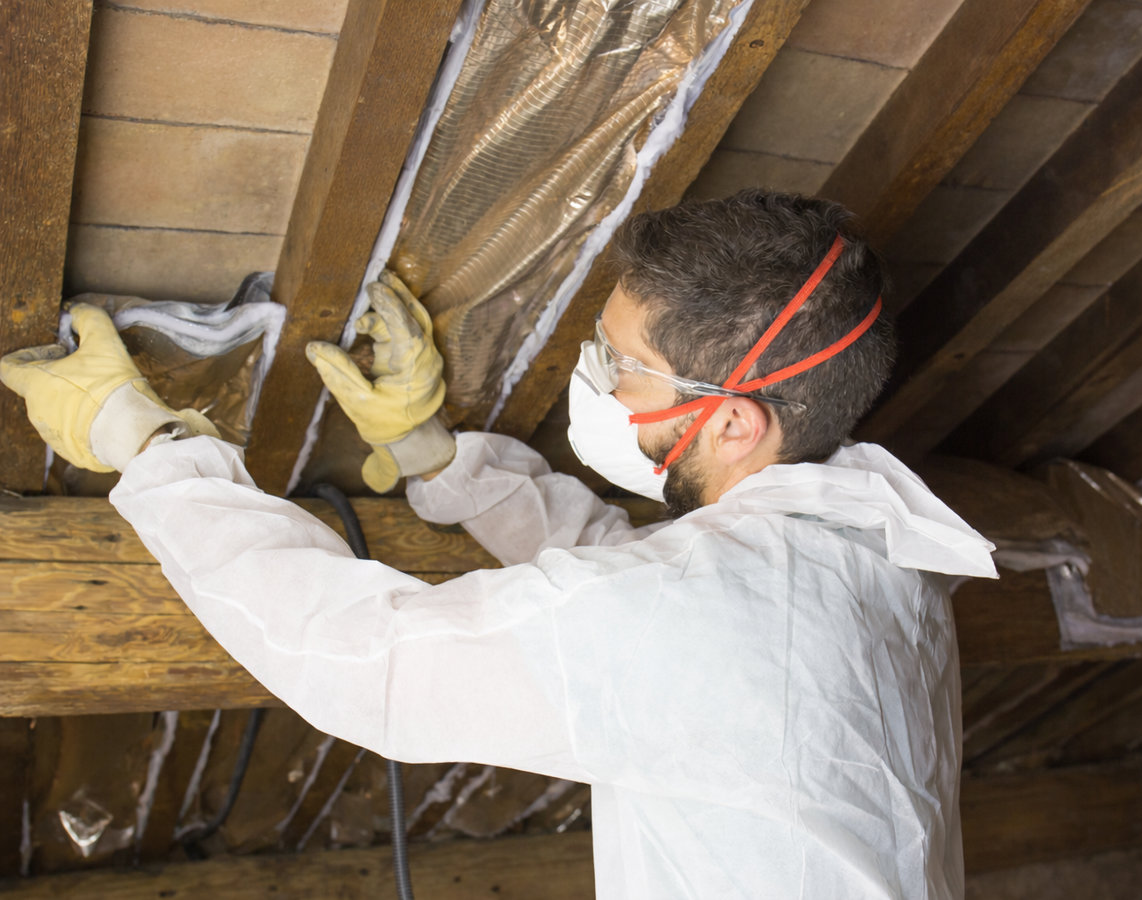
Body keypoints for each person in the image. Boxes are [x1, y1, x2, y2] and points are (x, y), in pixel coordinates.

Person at [2, 190, 994, 898]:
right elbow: (626, 571)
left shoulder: (715, 621)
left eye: (626, 371)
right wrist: (443, 459)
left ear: (735, 423)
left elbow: (369, 662)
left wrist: (151, 445)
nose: (595, 383)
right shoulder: (872, 552)